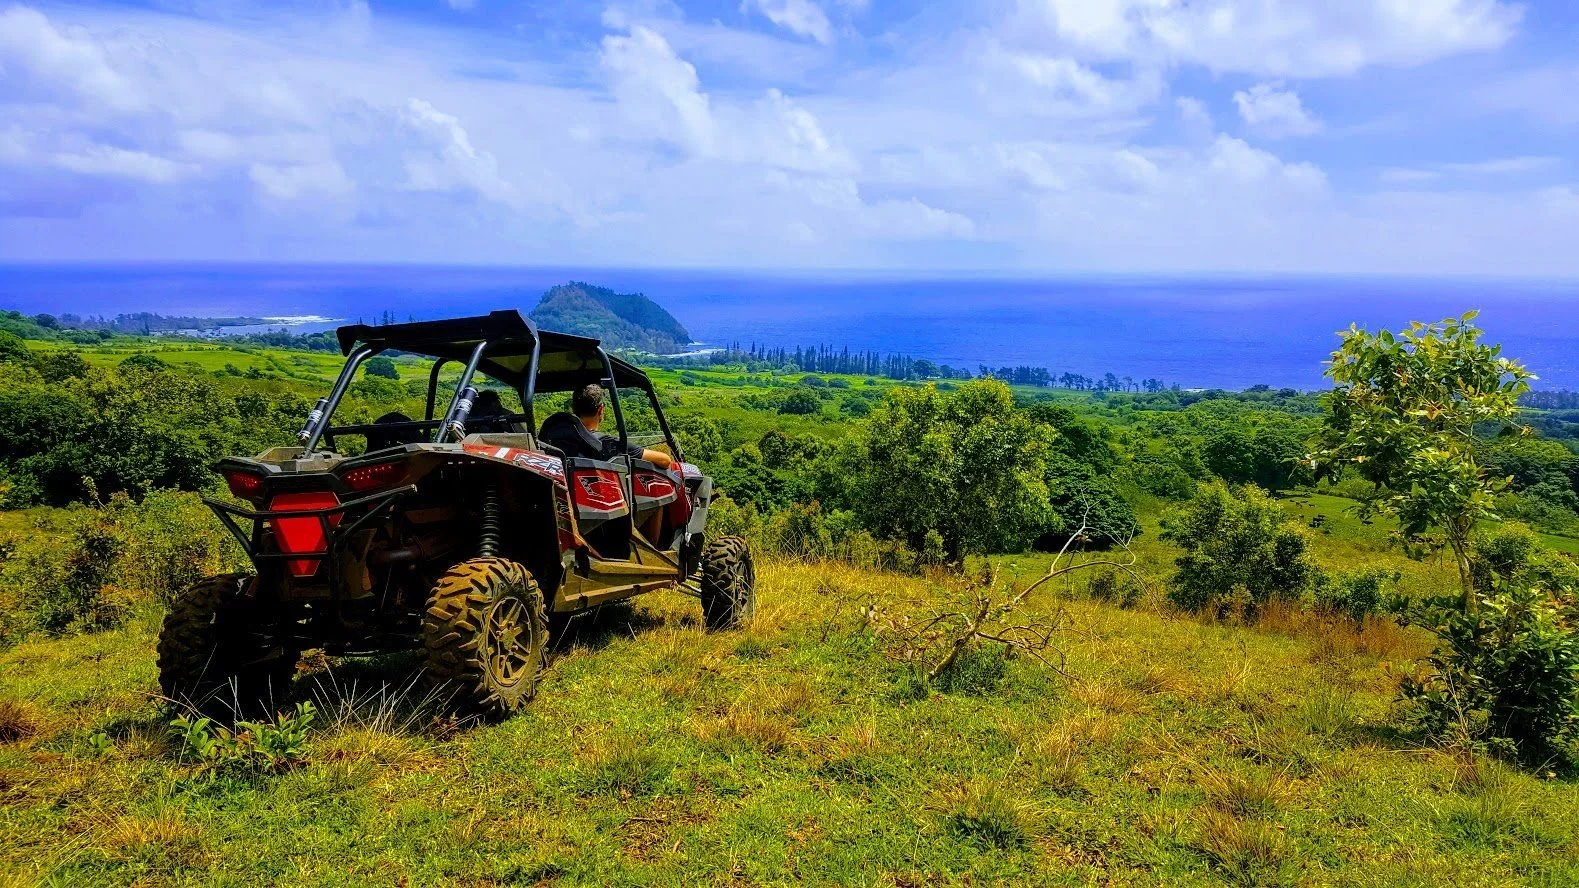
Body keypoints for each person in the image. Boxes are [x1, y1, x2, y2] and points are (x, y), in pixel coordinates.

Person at [538, 383, 675, 469]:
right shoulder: (609, 444)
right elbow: (665, 460)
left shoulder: (552, 439)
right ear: (601, 409)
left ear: (573, 408)